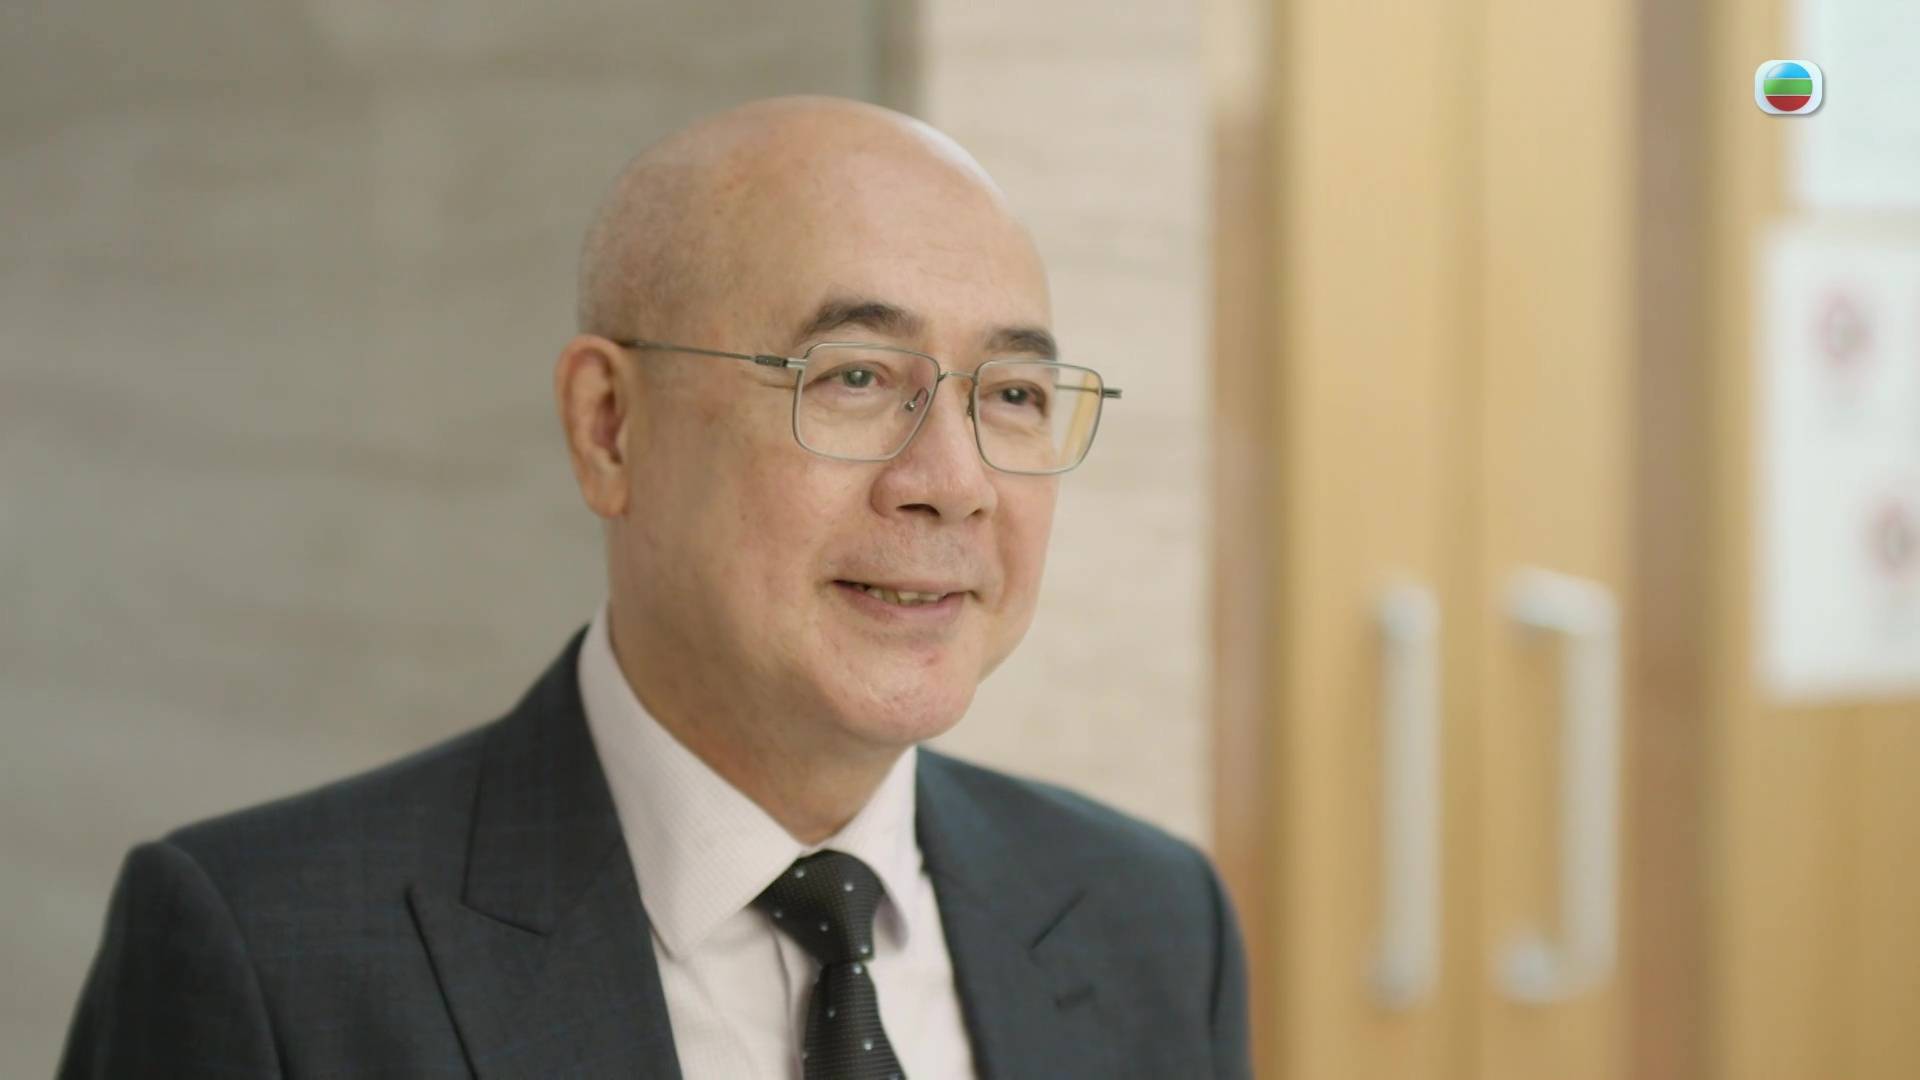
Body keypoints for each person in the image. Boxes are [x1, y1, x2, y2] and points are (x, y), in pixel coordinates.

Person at [58, 96, 1250, 1079]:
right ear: (610, 427)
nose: (953, 484)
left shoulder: (1149, 922)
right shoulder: (271, 956)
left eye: (1014, 396)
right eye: (852, 378)